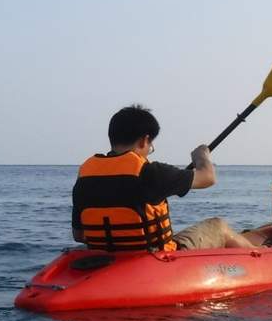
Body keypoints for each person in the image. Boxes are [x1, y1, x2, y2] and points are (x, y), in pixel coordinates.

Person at [72, 104, 260, 252]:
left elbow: (79, 235)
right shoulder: (152, 172)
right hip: (154, 257)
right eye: (150, 145)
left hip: (106, 256)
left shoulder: (85, 175)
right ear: (144, 140)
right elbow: (208, 177)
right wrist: (201, 156)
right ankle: (261, 255)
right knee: (218, 226)